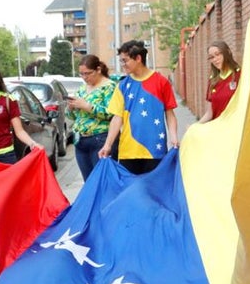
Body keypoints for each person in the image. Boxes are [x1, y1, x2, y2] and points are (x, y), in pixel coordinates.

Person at [99, 40, 178, 175]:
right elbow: (117, 118)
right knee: (131, 188)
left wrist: (174, 137)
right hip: (128, 151)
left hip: (155, 149)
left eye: (125, 60)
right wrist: (107, 145)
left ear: (138, 58)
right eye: (121, 61)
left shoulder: (161, 82)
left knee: (153, 188)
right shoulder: (122, 86)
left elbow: (169, 114)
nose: (123, 65)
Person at [65, 54, 116, 182]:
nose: (84, 77)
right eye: (81, 74)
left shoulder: (109, 87)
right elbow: (73, 116)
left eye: (87, 73)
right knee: (88, 182)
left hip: (100, 138)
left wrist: (88, 106)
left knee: (101, 181)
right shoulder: (82, 89)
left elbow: (112, 114)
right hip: (81, 140)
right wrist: (71, 108)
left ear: (98, 70)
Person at [198, 41, 241, 123]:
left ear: (227, 52)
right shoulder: (213, 80)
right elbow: (210, 113)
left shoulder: (240, 75)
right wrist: (196, 126)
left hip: (236, 127)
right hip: (218, 128)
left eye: (218, 54)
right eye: (211, 57)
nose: (215, 59)